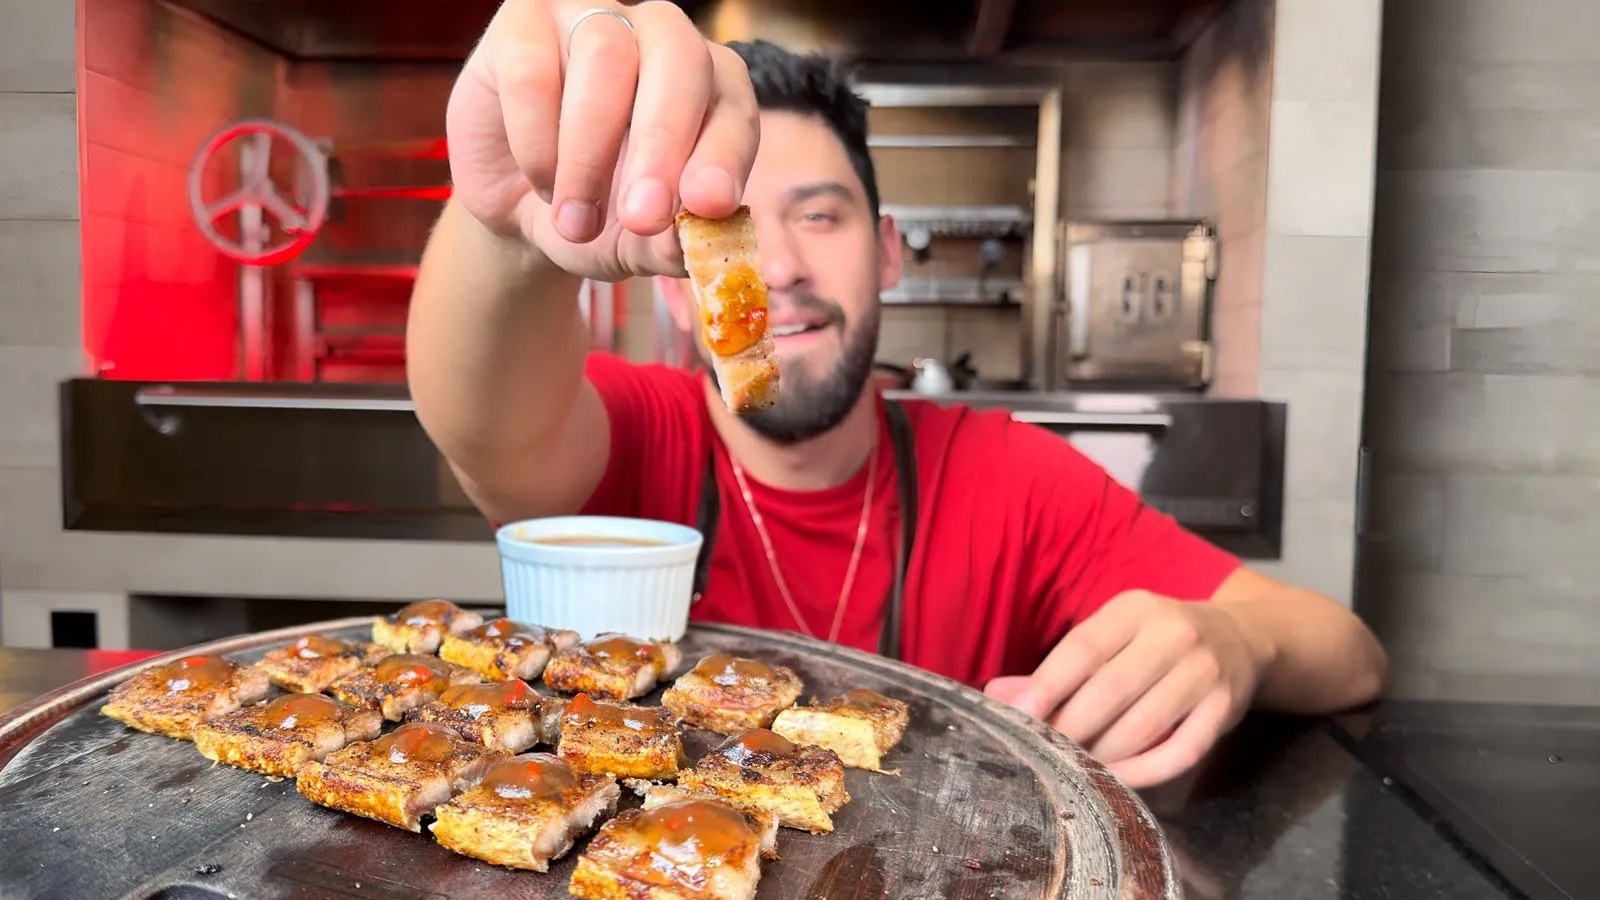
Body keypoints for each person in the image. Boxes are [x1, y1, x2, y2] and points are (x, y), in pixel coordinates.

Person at [406, 0, 1389, 789]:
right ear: (675, 281)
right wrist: (506, 226)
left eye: (821, 216)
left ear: (884, 255)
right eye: (737, 226)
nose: (781, 266)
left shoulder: (1010, 480)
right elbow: (481, 417)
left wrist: (1238, 639)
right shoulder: (635, 435)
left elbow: (1346, 652)